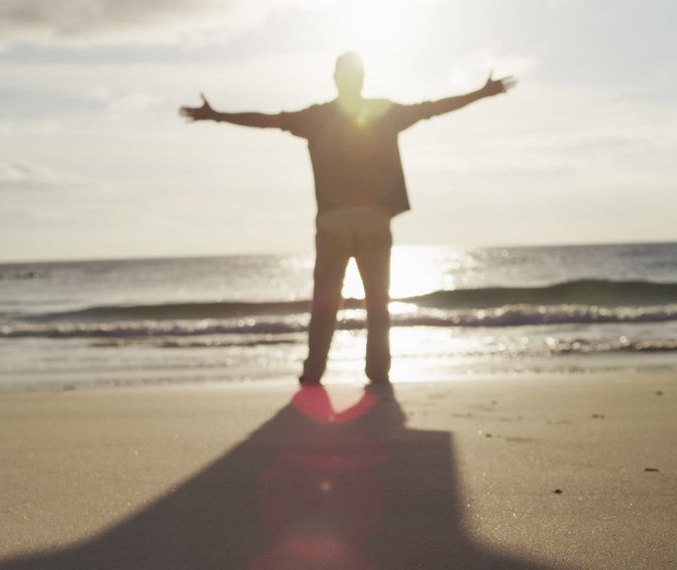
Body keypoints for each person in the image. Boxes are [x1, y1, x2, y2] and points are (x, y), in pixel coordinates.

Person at [180, 52, 515, 387]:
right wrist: (482, 93)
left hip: (333, 223)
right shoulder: (383, 112)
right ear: (362, 79)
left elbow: (267, 120)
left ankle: (313, 372)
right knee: (377, 302)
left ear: (336, 79)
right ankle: (378, 373)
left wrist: (216, 115)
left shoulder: (317, 117)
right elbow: (431, 108)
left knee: (326, 302)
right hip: (373, 219)